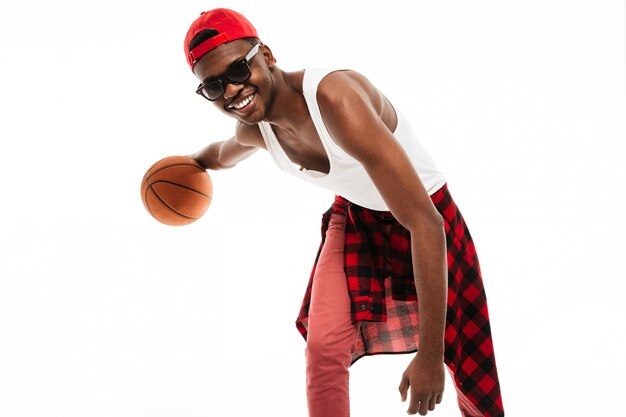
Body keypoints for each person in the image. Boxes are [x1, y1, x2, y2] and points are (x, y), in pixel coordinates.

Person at [183, 8, 505, 417]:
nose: (230, 91)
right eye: (212, 87)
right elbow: (222, 154)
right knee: (323, 347)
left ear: (265, 54)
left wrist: (429, 354)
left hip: (426, 217)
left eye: (237, 71)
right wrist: (188, 164)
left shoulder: (335, 99)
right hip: (355, 218)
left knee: (467, 366)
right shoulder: (255, 129)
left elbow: (425, 223)